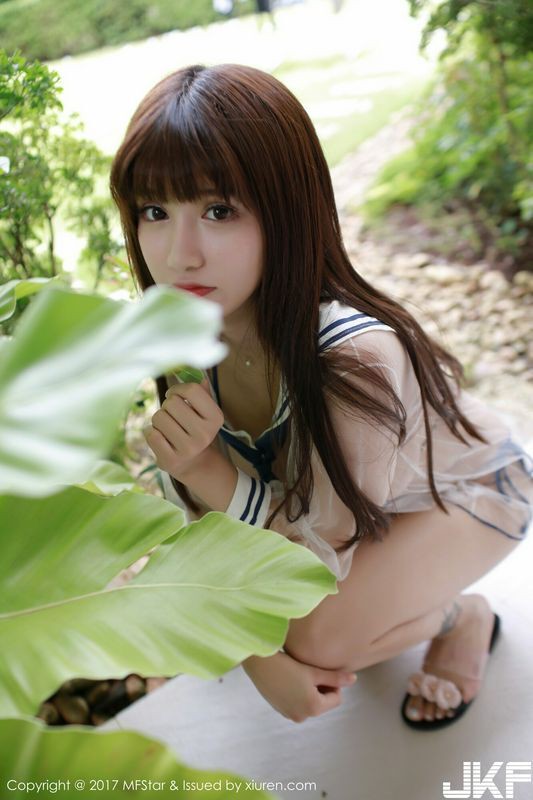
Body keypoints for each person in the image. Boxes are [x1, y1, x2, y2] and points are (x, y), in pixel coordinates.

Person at [110, 63, 532, 729]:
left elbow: (312, 565)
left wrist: (205, 470)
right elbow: (199, 529)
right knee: (294, 628)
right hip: (358, 510)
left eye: (218, 211)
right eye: (154, 212)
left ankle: (459, 616)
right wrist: (257, 653)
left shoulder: (353, 359)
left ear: (287, 210)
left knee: (319, 637)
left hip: (463, 495)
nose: (180, 254)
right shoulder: (192, 333)